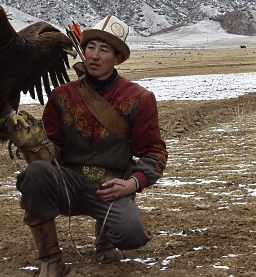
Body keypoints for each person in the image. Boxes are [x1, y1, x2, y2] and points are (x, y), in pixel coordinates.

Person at [16, 15, 169, 276]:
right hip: (69, 184)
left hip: (111, 188)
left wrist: (132, 183)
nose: (94, 55)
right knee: (35, 174)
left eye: (104, 49)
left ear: (117, 59)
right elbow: (53, 151)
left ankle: (106, 235)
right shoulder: (61, 96)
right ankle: (51, 260)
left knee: (133, 235)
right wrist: (33, 147)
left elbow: (154, 152)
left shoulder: (140, 98)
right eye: (90, 47)